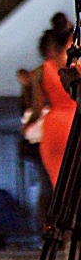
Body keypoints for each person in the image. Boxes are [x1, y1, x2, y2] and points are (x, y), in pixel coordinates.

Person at [26, 14, 75, 188]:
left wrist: (28, 126)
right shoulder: (76, 68)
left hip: (54, 130)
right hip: (75, 124)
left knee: (63, 189)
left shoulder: (42, 71)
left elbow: (37, 107)